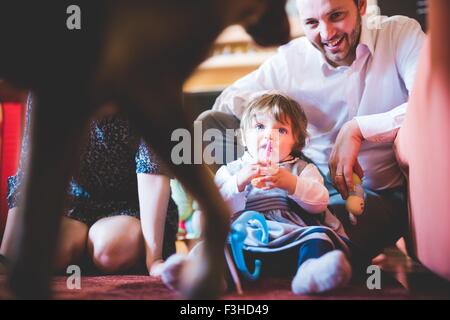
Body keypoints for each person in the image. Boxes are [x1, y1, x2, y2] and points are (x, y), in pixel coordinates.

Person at [198, 0, 426, 261]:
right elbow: (230, 98)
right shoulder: (293, 58)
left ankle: (291, 250)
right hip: (300, 179)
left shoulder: (399, 34)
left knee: (331, 228)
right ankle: (246, 228)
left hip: (370, 193)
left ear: (361, 5)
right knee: (211, 124)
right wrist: (269, 122)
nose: (327, 34)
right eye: (312, 23)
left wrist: (360, 128)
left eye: (336, 15)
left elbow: (432, 103)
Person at [163, 93, 354, 294]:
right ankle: (209, 277)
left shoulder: (302, 169)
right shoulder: (231, 170)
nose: (269, 135)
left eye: (281, 130)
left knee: (318, 238)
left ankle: (311, 274)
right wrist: (239, 181)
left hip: (292, 235)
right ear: (243, 137)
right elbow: (216, 207)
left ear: (295, 142)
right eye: (260, 127)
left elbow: (320, 202)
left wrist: (291, 183)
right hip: (245, 239)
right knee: (216, 247)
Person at [0, 95, 178, 276]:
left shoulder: (142, 88)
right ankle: (81, 252)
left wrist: (154, 260)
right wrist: (6, 257)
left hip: (132, 208)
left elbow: (152, 168)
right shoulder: (47, 90)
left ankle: (95, 255)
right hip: (71, 207)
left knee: (110, 248)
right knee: (46, 252)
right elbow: (31, 172)